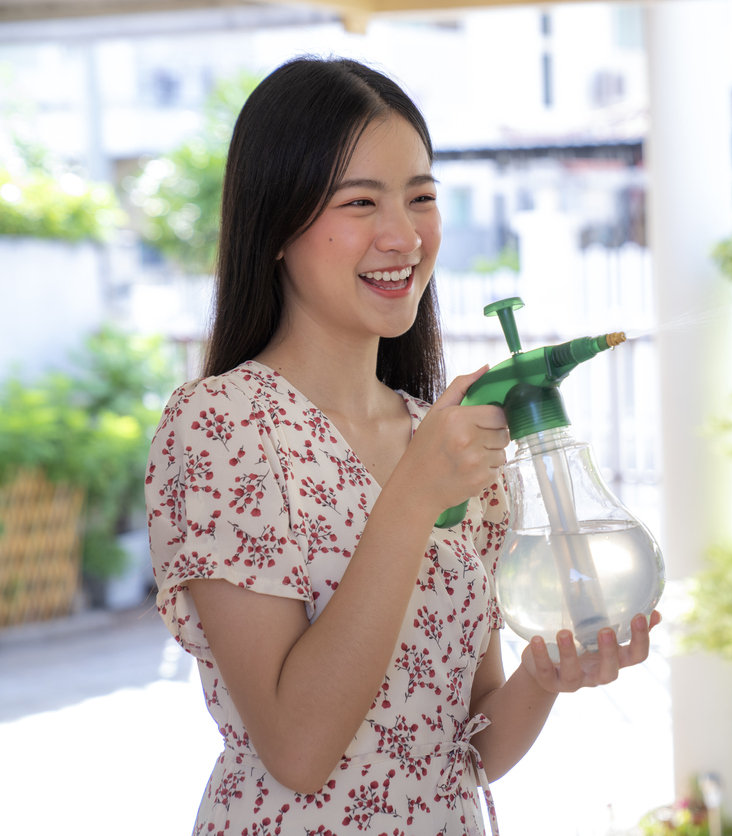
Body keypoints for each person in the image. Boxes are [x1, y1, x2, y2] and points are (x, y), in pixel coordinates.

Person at [145, 56, 659, 836]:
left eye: (422, 197)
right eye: (361, 202)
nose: (404, 235)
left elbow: (464, 749)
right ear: (276, 225)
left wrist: (541, 679)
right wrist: (413, 498)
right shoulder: (223, 426)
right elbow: (298, 748)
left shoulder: (449, 440)